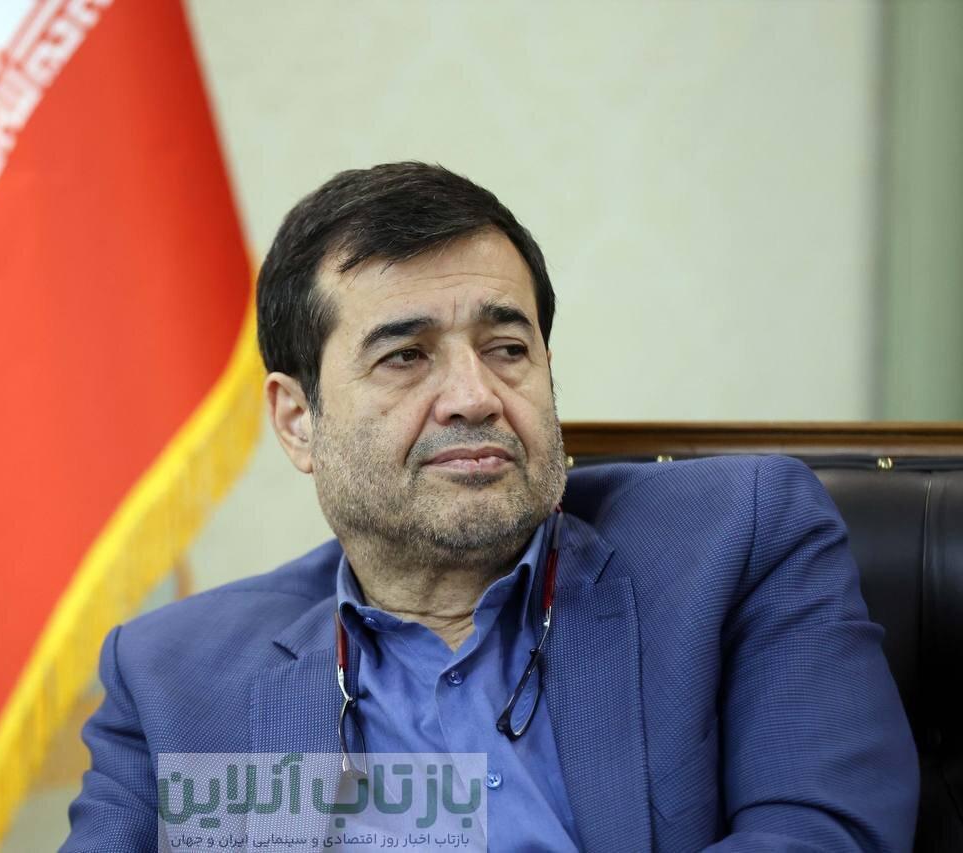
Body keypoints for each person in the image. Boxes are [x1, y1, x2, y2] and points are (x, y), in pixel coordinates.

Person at [61, 162, 918, 851]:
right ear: (297, 420)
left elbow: (824, 833)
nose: (475, 396)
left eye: (507, 347)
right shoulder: (173, 681)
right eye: (406, 357)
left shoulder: (737, 544)